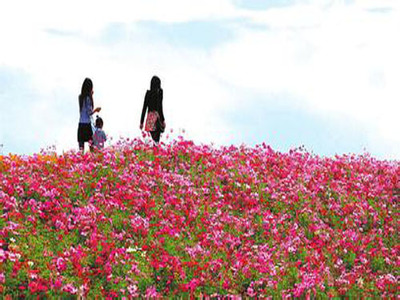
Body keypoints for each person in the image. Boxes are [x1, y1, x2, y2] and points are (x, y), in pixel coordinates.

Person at [77, 78, 101, 153]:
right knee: (92, 147)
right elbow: (89, 112)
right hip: (87, 125)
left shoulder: (80, 97)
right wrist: (96, 110)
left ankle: (80, 162)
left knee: (81, 148)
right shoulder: (88, 98)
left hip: (81, 124)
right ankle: (93, 161)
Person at [140, 76, 165, 144]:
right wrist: (163, 120)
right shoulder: (159, 93)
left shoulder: (148, 93)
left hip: (150, 119)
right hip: (156, 118)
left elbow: (144, 108)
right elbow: (160, 107)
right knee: (156, 141)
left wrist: (141, 122)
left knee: (152, 141)